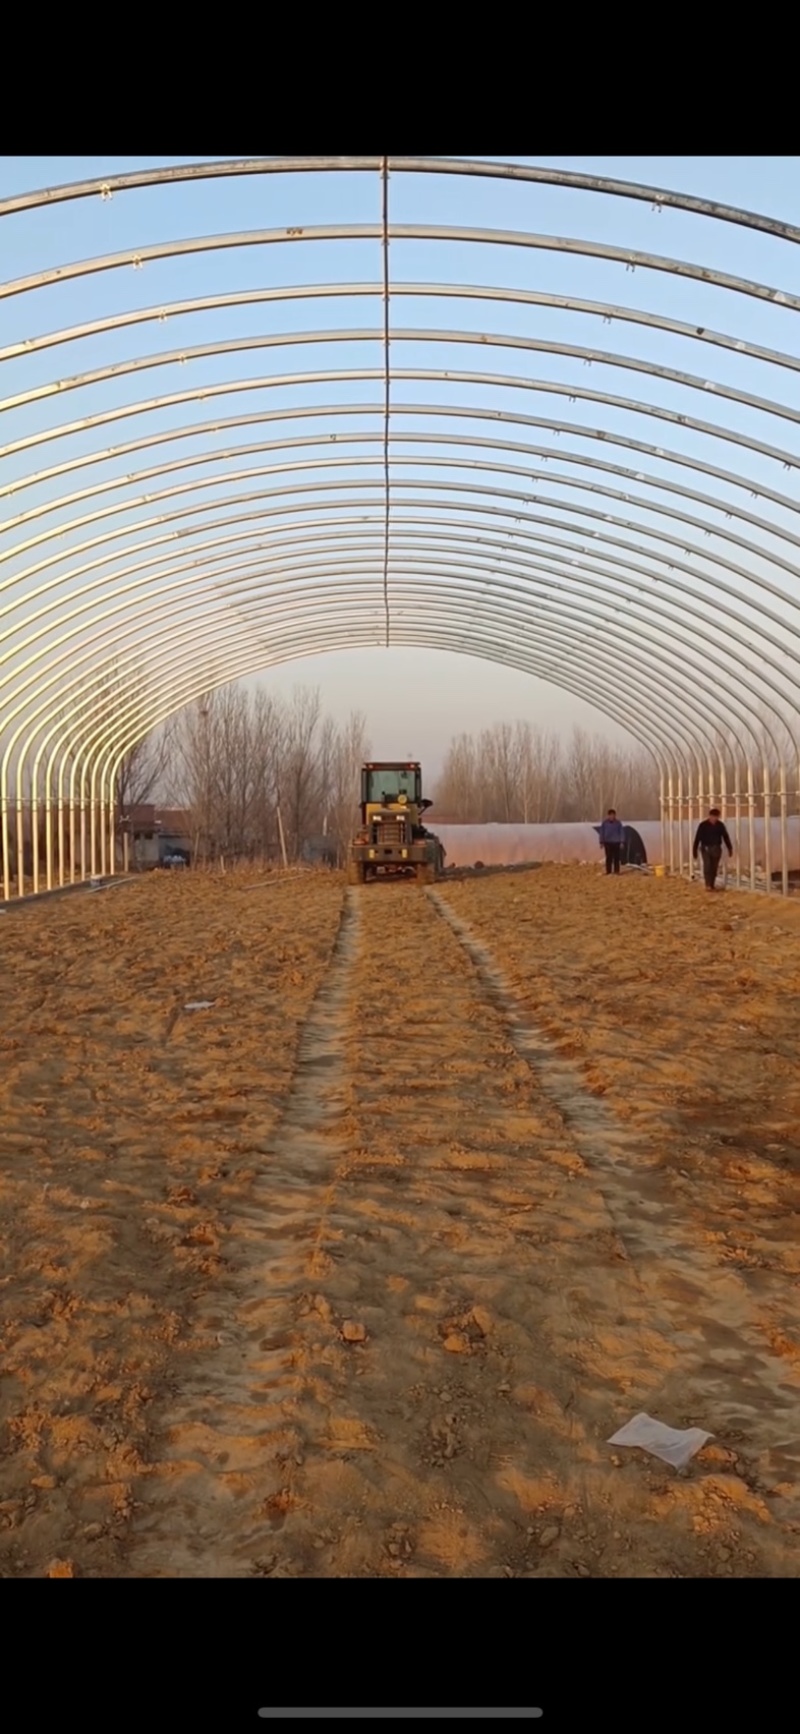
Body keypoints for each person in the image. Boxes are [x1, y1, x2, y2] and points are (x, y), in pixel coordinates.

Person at [692, 807, 733, 891]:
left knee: (714, 867)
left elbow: (725, 837)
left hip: (716, 848)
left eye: (716, 817)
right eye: (713, 817)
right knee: (707, 866)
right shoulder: (703, 825)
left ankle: (712, 884)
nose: (715, 819)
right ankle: (708, 885)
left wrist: (730, 848)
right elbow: (697, 838)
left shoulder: (720, 825)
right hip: (705, 848)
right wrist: (694, 851)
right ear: (710, 816)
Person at [598, 808, 625, 875]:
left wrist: (622, 841)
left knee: (616, 857)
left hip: (616, 842)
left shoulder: (618, 823)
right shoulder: (604, 823)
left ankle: (616, 871)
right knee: (608, 857)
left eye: (613, 815)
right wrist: (601, 842)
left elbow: (621, 832)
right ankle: (608, 871)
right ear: (608, 815)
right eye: (611, 815)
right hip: (608, 842)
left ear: (615, 815)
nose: (612, 817)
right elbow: (602, 832)